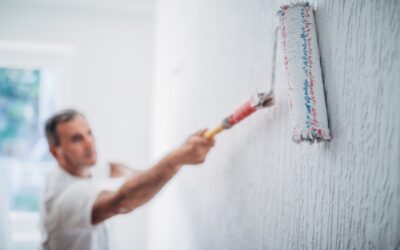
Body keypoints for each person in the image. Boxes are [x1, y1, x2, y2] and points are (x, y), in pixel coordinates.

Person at [40, 109, 215, 250]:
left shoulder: (83, 165)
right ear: (55, 151)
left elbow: (112, 167)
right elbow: (120, 202)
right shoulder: (64, 199)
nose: (90, 143)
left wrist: (144, 175)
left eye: (89, 133)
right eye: (77, 139)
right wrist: (176, 159)